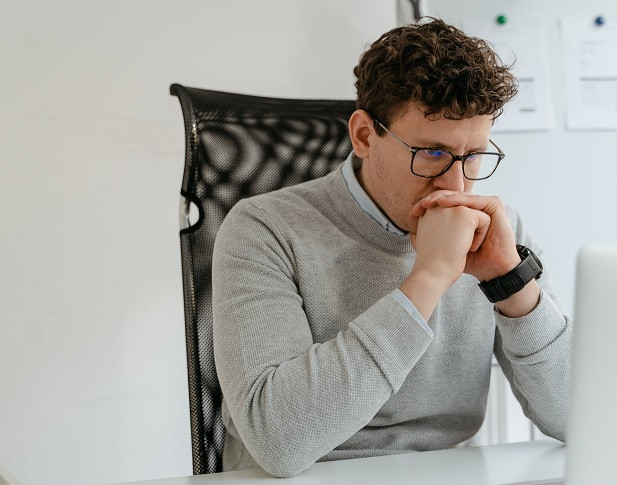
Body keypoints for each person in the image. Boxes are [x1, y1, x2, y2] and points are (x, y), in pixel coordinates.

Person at [212, 18, 572, 478]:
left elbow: (577, 417)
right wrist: (429, 278)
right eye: (433, 154)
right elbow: (279, 440)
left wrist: (510, 282)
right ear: (364, 135)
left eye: (473, 156)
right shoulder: (264, 230)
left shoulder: (497, 229)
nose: (456, 184)